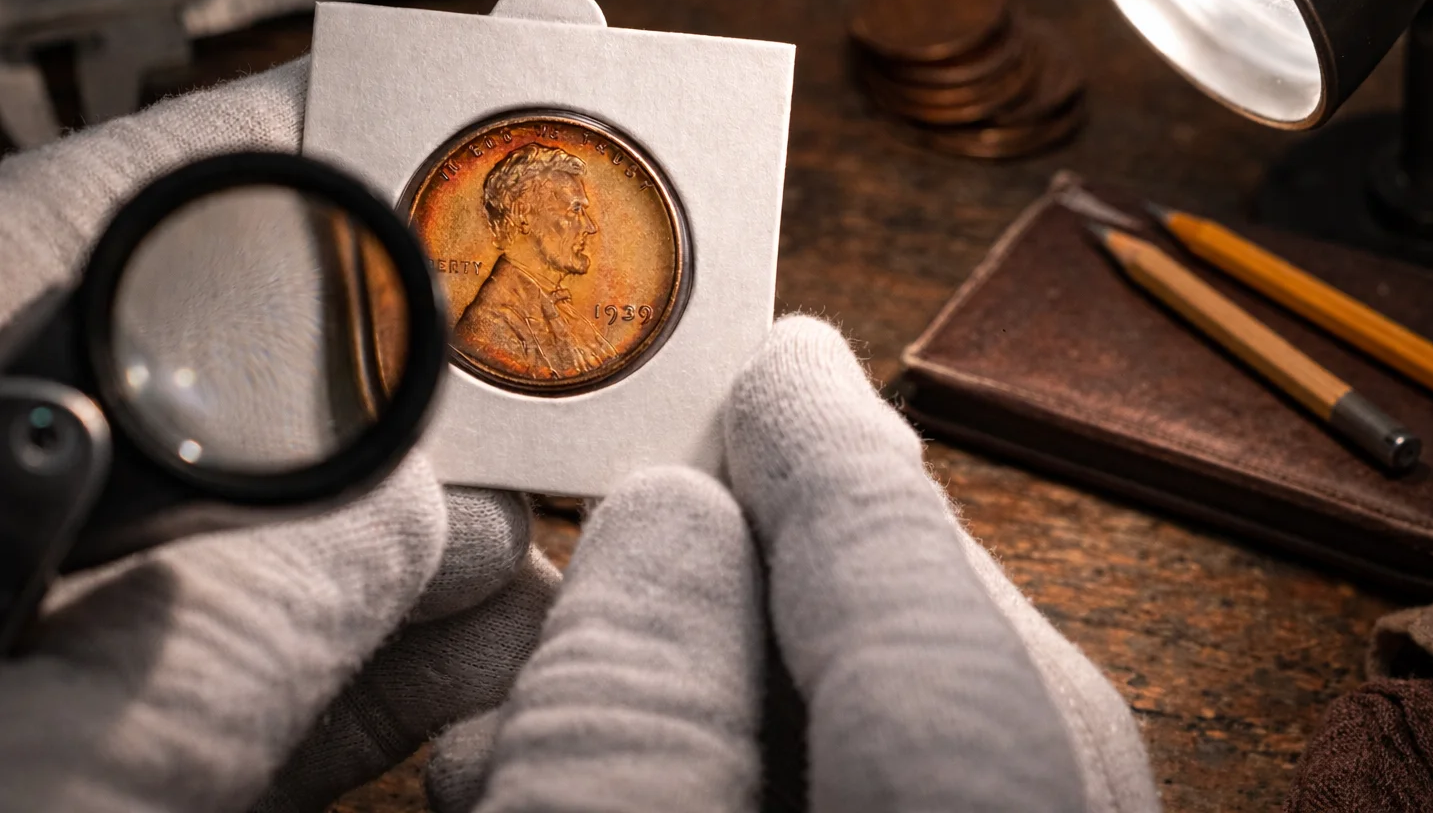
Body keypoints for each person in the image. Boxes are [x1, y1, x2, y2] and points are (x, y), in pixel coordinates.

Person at [0, 59, 1160, 813]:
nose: (588, 225)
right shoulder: (496, 322)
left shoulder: (561, 320)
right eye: (565, 203)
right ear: (510, 215)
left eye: (588, 206)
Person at [455, 143, 617, 381]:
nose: (590, 227)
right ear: (523, 215)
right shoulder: (490, 325)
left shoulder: (562, 311)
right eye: (575, 210)